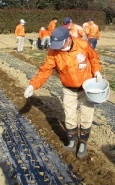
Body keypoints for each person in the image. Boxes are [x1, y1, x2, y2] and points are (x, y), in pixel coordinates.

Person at [24, 26, 102, 159]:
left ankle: (83, 142)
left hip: (86, 87)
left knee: (87, 114)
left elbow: (94, 59)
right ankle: (72, 140)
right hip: (68, 88)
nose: (58, 48)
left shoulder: (83, 44)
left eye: (61, 44)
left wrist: (97, 71)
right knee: (69, 114)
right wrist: (33, 85)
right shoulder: (53, 52)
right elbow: (45, 70)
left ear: (68, 39)